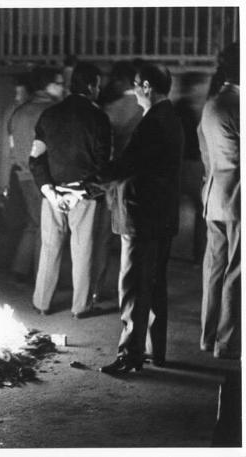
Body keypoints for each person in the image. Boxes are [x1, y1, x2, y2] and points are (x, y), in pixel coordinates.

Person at [98, 63, 184, 374]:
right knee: (155, 284)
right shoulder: (170, 118)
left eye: (136, 85)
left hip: (141, 216)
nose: (134, 91)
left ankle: (129, 355)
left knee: (134, 285)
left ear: (147, 86)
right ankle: (154, 351)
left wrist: (94, 174)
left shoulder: (153, 123)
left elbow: (129, 165)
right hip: (161, 216)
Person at [29, 62, 111, 317]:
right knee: (83, 250)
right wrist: (82, 192)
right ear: (90, 86)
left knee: (49, 248)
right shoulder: (99, 118)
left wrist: (49, 190)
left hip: (52, 194)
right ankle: (80, 307)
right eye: (97, 84)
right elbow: (102, 164)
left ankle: (42, 303)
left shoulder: (50, 115)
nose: (98, 89)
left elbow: (35, 158)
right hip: (83, 196)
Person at [198, 42, 240, 360]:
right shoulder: (238, 104)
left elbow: (205, 151)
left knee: (214, 268)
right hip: (237, 199)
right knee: (235, 272)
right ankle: (226, 342)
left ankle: (207, 335)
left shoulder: (212, 103)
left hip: (213, 195)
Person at [7, 66, 64, 284]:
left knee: (33, 223)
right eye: (58, 83)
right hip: (45, 177)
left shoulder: (20, 111)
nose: (62, 87)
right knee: (46, 228)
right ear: (47, 85)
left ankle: (20, 268)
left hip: (23, 175)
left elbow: (12, 145)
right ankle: (42, 278)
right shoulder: (53, 110)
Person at [92, 61, 143, 302]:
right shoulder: (146, 107)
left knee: (103, 238)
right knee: (136, 240)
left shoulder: (113, 109)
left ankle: (95, 289)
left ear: (122, 81)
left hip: (116, 180)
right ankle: (134, 291)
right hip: (142, 179)